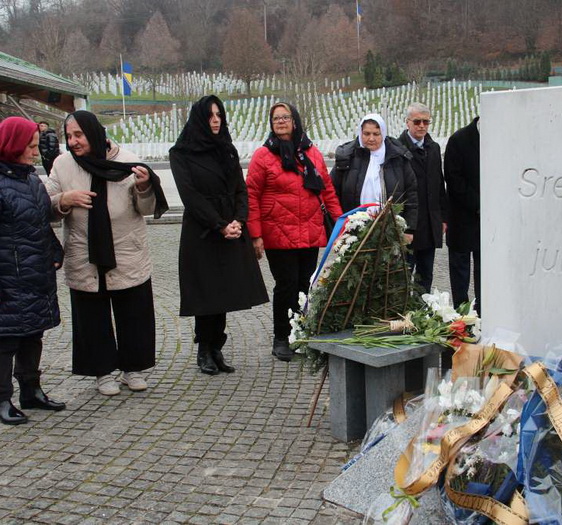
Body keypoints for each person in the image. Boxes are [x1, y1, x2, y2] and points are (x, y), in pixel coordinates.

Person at [45, 110, 168, 396]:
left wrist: (144, 186)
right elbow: (47, 206)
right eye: (69, 136)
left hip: (126, 250)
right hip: (84, 252)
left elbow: (147, 209)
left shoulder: (125, 161)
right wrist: (64, 199)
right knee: (91, 316)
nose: (73, 142)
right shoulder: (63, 165)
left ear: (94, 132)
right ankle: (102, 371)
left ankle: (133, 369)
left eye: (79, 135)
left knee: (133, 312)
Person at [170, 95, 268, 375]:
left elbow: (240, 188)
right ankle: (204, 348)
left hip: (230, 228)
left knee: (224, 291)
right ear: (200, 118)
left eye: (219, 115)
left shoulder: (227, 149)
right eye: (211, 115)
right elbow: (191, 196)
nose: (216, 120)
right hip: (203, 231)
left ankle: (217, 348)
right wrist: (220, 225)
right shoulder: (181, 153)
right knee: (206, 292)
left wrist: (238, 220)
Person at [247, 102, 342, 362]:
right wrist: (255, 234)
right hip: (277, 232)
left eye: (285, 117)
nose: (280, 122)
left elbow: (327, 190)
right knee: (286, 286)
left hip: (309, 231)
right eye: (276, 118)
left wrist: (340, 222)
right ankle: (281, 337)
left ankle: (301, 333)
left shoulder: (312, 153)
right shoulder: (263, 156)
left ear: (295, 120)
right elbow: (252, 195)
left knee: (305, 285)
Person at [0, 116, 65, 425]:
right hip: (8, 275)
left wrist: (54, 249)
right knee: (6, 339)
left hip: (35, 272)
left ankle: (31, 390)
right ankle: (2, 398)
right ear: (12, 145)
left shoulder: (29, 178)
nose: (35, 153)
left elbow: (40, 220)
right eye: (30, 146)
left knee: (32, 334)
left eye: (37, 147)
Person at [331, 113, 418, 238]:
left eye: (376, 134)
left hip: (390, 230)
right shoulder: (346, 157)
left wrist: (409, 229)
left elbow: (411, 194)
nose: (371, 138)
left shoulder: (398, 158)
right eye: (366, 134)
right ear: (360, 133)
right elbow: (332, 192)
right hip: (352, 229)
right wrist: (339, 223)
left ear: (383, 133)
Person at [397, 103, 448, 293]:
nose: (421, 126)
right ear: (407, 122)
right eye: (417, 121)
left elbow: (439, 183)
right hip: (408, 222)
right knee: (404, 274)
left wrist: (443, 217)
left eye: (426, 122)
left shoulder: (433, 148)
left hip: (429, 220)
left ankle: (422, 314)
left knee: (426, 274)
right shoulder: (397, 148)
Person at [444, 116, 480, 313]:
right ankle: (461, 313)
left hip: (489, 220)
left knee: (484, 270)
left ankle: (484, 311)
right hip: (462, 217)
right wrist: (479, 204)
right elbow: (453, 178)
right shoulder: (459, 139)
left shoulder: (501, 138)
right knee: (460, 270)